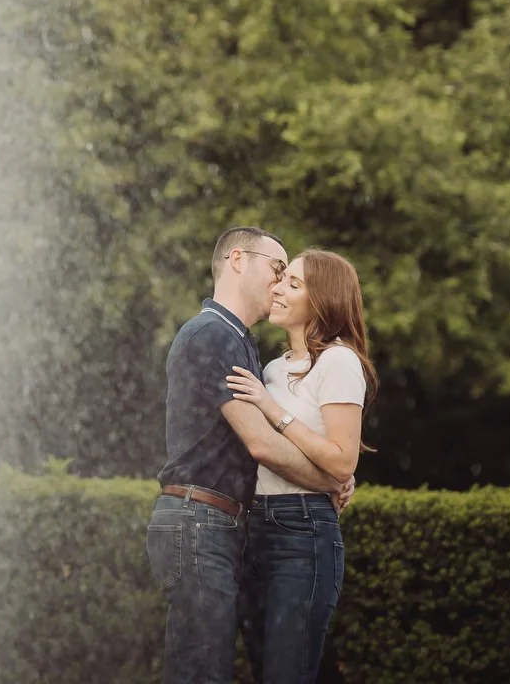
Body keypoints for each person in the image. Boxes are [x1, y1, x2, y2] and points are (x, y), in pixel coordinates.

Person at [147, 227, 353, 684]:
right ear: (238, 259)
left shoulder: (238, 340)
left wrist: (330, 464)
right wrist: (329, 479)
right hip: (199, 520)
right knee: (202, 673)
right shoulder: (213, 335)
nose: (279, 284)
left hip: (213, 522)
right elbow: (260, 443)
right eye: (277, 269)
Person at [225, 248, 377, 684]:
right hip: (254, 529)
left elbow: (342, 459)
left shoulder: (338, 362)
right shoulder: (270, 370)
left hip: (303, 533)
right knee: (262, 670)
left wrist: (273, 410)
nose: (278, 288)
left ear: (323, 300)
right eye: (281, 278)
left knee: (287, 674)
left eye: (293, 283)